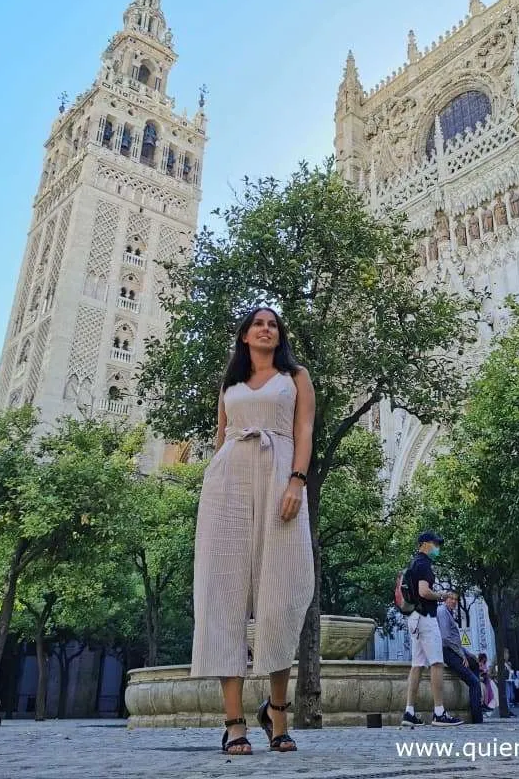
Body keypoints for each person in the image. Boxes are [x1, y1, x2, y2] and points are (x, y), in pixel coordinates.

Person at [191, 307, 316, 755]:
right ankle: (234, 723)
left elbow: (304, 429)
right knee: (223, 596)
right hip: (228, 484)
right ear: (245, 336)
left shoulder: (296, 376)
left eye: (274, 324)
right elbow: (221, 437)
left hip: (280, 477)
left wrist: (297, 481)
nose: (267, 329)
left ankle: (277, 712)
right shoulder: (229, 385)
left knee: (283, 594)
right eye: (258, 324)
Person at [401, 532, 463, 728]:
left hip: (413, 618)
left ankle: (409, 712)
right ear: (425, 544)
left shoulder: (413, 563)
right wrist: (442, 595)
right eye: (435, 543)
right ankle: (439, 712)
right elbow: (424, 592)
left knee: (417, 665)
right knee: (436, 663)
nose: (438, 547)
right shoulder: (424, 564)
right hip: (426, 618)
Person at [437, 594, 483, 723]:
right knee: (473, 682)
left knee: (474, 664)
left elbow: (455, 641)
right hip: (449, 652)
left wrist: (468, 654)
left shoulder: (448, 613)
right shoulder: (442, 612)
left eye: (456, 599)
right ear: (445, 600)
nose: (454, 601)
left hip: (454, 650)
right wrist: (462, 655)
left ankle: (477, 703)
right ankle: (477, 717)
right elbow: (446, 638)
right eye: (450, 598)